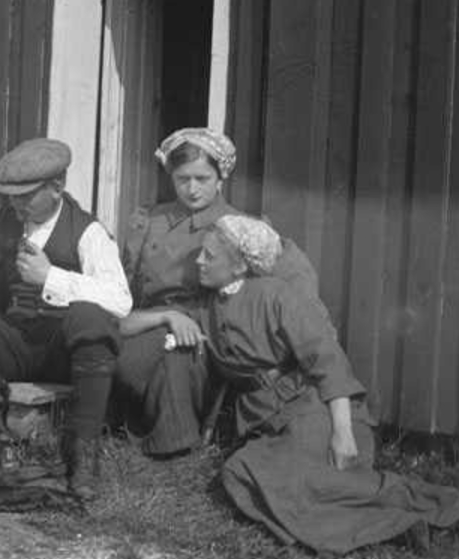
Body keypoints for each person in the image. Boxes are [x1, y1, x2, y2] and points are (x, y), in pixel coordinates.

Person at [199, 214, 459, 555]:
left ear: (239, 265)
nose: (199, 261)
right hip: (268, 421)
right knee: (246, 473)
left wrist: (343, 434)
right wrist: (169, 316)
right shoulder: (210, 303)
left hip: (317, 410)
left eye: (209, 256)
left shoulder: (277, 296)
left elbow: (328, 363)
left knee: (262, 473)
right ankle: (398, 524)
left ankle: (422, 503)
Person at [0, 137, 132, 498]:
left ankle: (82, 458)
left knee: (92, 318)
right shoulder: (4, 219)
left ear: (57, 187)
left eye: (26, 195)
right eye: (9, 196)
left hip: (64, 350)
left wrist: (51, 277)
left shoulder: (88, 232)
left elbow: (120, 300)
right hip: (16, 341)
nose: (16, 204)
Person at [113, 127, 319, 458]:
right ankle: (131, 425)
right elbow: (124, 284)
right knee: (123, 359)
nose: (191, 189)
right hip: (150, 317)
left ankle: (173, 443)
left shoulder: (239, 225)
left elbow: (295, 278)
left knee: (172, 354)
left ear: (220, 177)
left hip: (211, 323)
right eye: (182, 179)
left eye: (202, 178)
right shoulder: (151, 219)